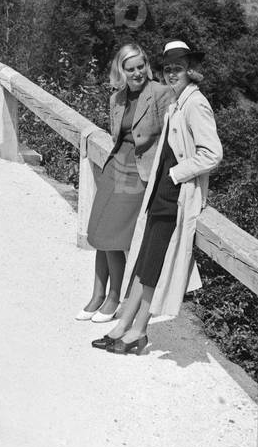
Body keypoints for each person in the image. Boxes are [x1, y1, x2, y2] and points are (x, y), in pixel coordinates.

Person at [93, 40, 222, 354]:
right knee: (144, 260)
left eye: (178, 68)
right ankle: (124, 325)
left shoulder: (195, 103)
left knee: (153, 266)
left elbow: (212, 154)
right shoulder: (180, 100)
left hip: (175, 193)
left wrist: (176, 175)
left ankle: (138, 329)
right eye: (168, 69)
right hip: (160, 191)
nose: (172, 74)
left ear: (191, 70)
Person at [78, 43, 175, 322]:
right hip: (115, 165)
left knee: (113, 235)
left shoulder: (160, 93)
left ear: (147, 65)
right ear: (121, 70)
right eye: (130, 69)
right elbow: (116, 136)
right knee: (97, 231)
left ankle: (113, 297)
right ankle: (97, 294)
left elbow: (172, 136)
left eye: (140, 66)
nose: (137, 73)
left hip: (139, 171)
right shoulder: (117, 98)